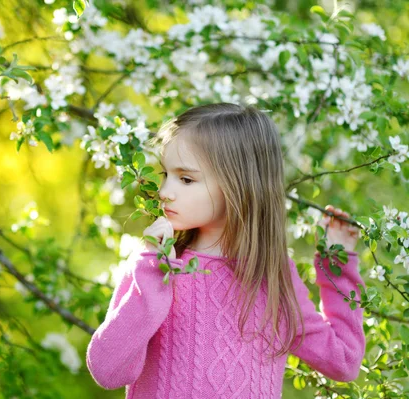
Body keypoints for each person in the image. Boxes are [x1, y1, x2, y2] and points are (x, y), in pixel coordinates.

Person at [85, 103, 365, 398]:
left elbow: (344, 362)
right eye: (165, 173)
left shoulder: (273, 278)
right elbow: (108, 370)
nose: (165, 191)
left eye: (186, 179)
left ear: (239, 185)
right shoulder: (157, 265)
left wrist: (338, 264)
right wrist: (153, 270)